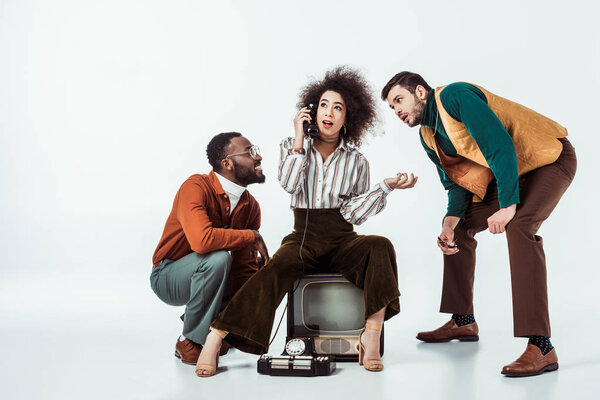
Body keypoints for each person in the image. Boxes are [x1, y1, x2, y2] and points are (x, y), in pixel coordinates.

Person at [195, 66, 418, 377]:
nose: (329, 112)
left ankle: (371, 334)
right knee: (271, 271)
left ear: (347, 118)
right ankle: (214, 339)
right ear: (312, 111)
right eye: (323, 105)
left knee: (380, 246)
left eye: (338, 107)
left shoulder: (357, 160)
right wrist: (300, 138)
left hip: (342, 237)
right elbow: (288, 184)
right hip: (304, 237)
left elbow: (354, 214)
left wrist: (385, 187)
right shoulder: (292, 146)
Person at [381, 72, 576, 377]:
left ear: (420, 92)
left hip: (547, 160)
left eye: (398, 100)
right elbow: (457, 184)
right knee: (459, 231)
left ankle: (542, 346)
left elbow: (499, 145)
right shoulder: (428, 135)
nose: (397, 111)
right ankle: (463, 321)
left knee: (519, 227)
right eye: (392, 108)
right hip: (510, 172)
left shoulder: (454, 96)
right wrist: (449, 224)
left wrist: (509, 205)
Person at [150, 132, 269, 366]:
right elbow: (201, 241)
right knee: (217, 258)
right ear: (227, 164)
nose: (259, 157)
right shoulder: (195, 187)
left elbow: (243, 268)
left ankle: (211, 326)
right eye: (250, 152)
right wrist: (250, 236)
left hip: (209, 275)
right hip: (167, 276)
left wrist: (253, 304)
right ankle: (188, 340)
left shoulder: (251, 206)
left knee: (248, 271)